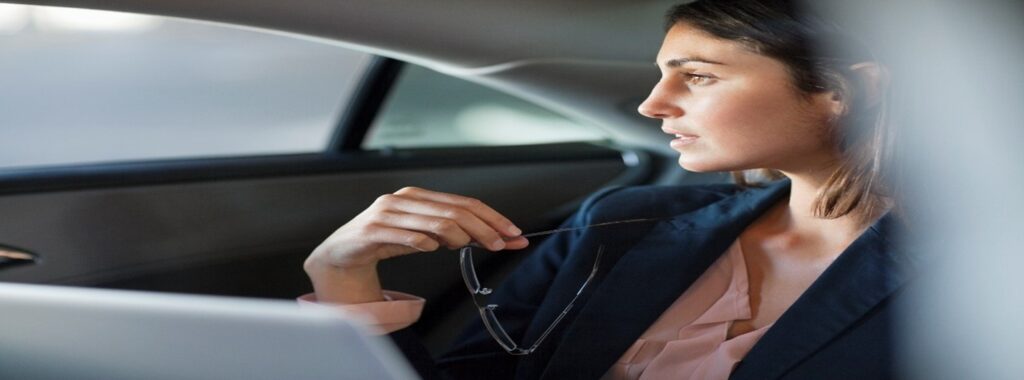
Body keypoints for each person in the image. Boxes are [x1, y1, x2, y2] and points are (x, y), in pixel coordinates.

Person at [302, 0, 908, 378]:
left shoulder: (992, 276)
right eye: (661, 76)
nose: (653, 104)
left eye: (697, 76)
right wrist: (343, 281)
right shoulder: (622, 221)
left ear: (842, 90)